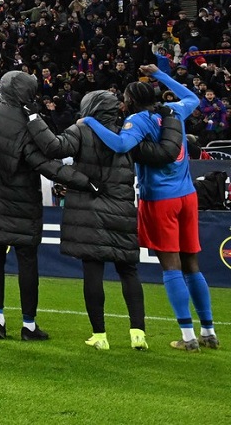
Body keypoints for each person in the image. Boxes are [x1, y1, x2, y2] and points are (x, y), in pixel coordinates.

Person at [27, 90, 182, 350]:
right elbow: (166, 152)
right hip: (121, 211)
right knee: (129, 272)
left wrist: (33, 118)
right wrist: (172, 118)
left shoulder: (82, 131)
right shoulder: (128, 134)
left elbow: (53, 147)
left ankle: (100, 336)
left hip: (88, 211)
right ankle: (138, 334)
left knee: (93, 272)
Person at [81, 65, 219, 352]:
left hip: (159, 199)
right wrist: (160, 74)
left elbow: (120, 145)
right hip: (188, 195)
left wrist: (90, 122)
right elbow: (193, 98)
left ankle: (188, 336)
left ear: (130, 101)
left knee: (171, 266)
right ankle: (208, 331)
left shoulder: (138, 121)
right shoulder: (173, 112)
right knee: (192, 265)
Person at [0, 71, 95, 341]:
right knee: (27, 263)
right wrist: (86, 182)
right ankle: (28, 325)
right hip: (22, 200)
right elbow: (46, 163)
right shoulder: (27, 121)